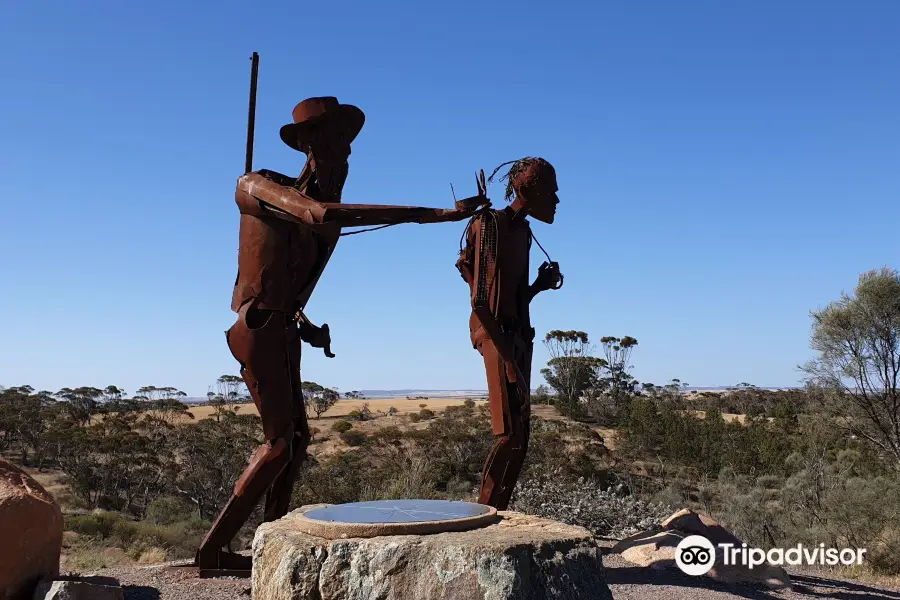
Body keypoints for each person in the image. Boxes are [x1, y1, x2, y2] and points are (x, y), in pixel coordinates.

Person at [196, 97, 485, 573]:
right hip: (257, 329)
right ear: (307, 145)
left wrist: (308, 326)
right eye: (333, 142)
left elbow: (291, 272)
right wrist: (433, 213)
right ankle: (212, 551)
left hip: (283, 328)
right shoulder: (258, 185)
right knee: (277, 443)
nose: (343, 154)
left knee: (298, 439)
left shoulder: (313, 206)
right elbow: (316, 213)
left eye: (348, 146)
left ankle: (272, 539)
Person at [456, 156, 563, 509]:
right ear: (527, 188)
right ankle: (483, 510)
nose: (557, 200)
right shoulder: (489, 224)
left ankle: (498, 510)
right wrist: (506, 357)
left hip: (518, 336)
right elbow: (480, 304)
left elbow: (518, 296)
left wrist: (538, 286)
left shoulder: (523, 232)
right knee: (507, 432)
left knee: (522, 435)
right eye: (551, 191)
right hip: (495, 336)